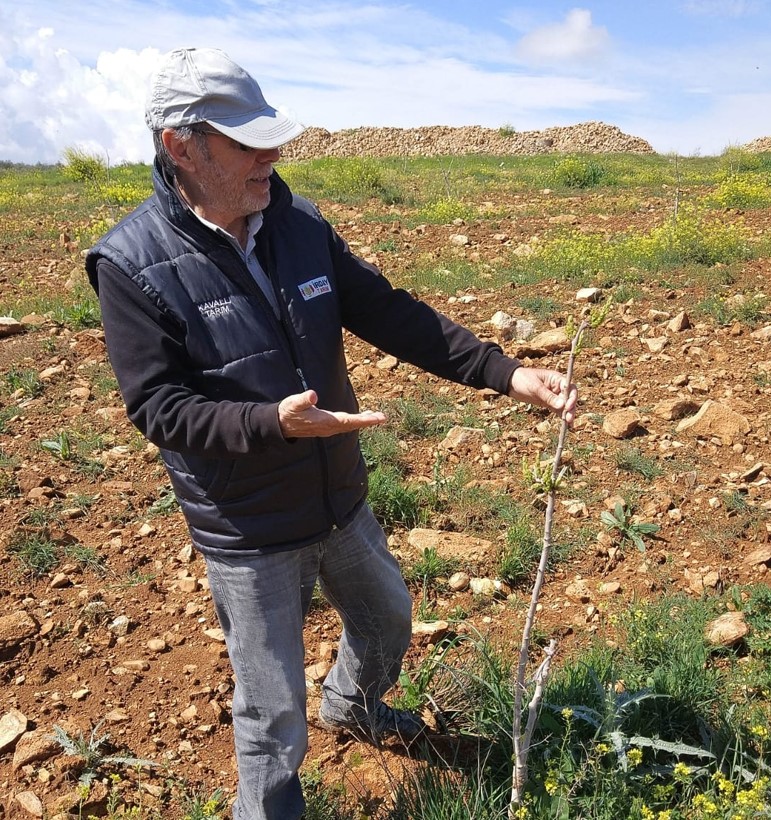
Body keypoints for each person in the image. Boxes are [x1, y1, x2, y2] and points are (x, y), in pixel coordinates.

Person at [86, 47, 578, 820]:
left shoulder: (297, 222)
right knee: (271, 712)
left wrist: (503, 372)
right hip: (247, 525)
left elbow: (387, 311)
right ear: (181, 146)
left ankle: (351, 703)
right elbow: (158, 408)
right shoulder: (131, 262)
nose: (271, 157)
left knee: (386, 622)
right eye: (248, 143)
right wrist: (270, 424)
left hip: (336, 493)